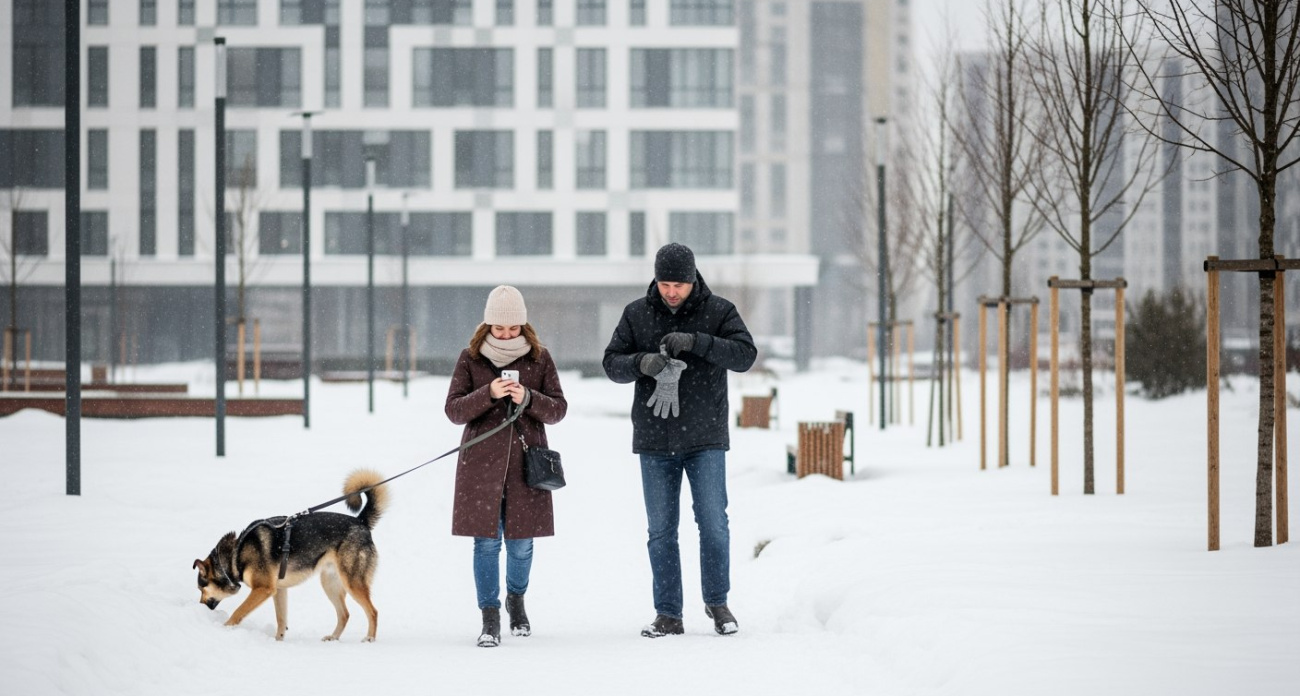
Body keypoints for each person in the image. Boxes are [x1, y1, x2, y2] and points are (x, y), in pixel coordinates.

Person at [603, 242, 757, 638]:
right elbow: (611, 363)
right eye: (665, 283)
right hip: (654, 441)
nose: (671, 291)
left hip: (705, 438)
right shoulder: (636, 313)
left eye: (679, 284)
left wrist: (698, 342)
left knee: (713, 524)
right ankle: (668, 613)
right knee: (661, 530)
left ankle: (718, 602)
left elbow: (744, 355)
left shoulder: (719, 311)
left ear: (693, 280)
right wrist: (641, 363)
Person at [445, 285, 567, 647]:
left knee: (521, 545)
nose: (506, 334)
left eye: (513, 328)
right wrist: (489, 394)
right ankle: (490, 616)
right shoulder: (470, 358)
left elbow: (558, 409)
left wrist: (528, 397)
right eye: (499, 328)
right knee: (485, 544)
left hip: (525, 469)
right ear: (487, 326)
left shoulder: (539, 358)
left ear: (523, 326)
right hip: (479, 468)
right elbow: (453, 410)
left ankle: (517, 600)